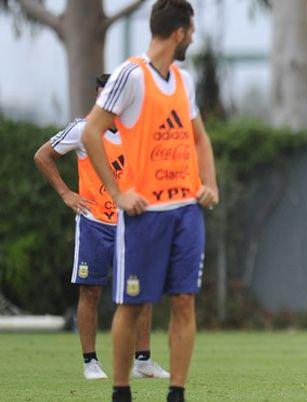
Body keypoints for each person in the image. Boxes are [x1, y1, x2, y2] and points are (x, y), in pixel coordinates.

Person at [81, 1, 219, 401]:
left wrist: (209, 184)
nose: (193, 35)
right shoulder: (130, 75)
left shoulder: (184, 79)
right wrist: (118, 192)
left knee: (184, 302)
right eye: (190, 29)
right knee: (132, 305)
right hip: (145, 216)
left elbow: (200, 138)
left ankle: (176, 393)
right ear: (179, 32)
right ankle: (120, 392)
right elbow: (92, 132)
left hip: (186, 213)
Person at [34, 74, 170, 381]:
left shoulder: (138, 133)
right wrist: (66, 193)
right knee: (91, 291)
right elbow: (43, 156)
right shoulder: (83, 129)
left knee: (140, 291)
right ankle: (90, 362)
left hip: (131, 225)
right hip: (95, 224)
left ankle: (143, 361)